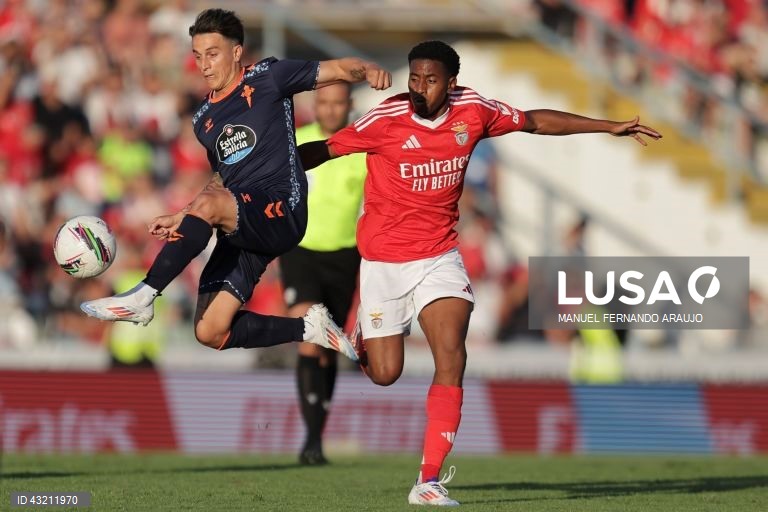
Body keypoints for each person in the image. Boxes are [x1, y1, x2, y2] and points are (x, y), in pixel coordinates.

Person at [298, 40, 661, 506]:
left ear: (451, 83)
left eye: (430, 80)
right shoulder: (385, 119)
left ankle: (427, 481)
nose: (419, 88)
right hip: (384, 260)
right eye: (414, 78)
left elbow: (535, 122)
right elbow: (323, 150)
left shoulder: (474, 111)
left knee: (451, 355)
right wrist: (256, 169)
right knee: (385, 374)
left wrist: (607, 126)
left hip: (438, 256)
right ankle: (350, 341)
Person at [79, 9, 390, 360]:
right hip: (243, 220)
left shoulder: (269, 77)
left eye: (212, 54)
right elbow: (222, 179)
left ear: (237, 52)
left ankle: (145, 294)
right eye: (197, 56)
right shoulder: (203, 120)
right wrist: (184, 214)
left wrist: (368, 68)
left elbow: (337, 69)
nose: (204, 65)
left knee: (213, 211)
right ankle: (308, 328)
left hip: (281, 208)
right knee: (210, 330)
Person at [280, 83, 366, 465]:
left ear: (349, 105)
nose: (330, 110)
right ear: (316, 105)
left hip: (346, 255)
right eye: (324, 103)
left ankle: (317, 435)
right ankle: (311, 440)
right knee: (309, 335)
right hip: (300, 250)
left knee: (329, 347)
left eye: (338, 103)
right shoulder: (296, 141)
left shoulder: (364, 147)